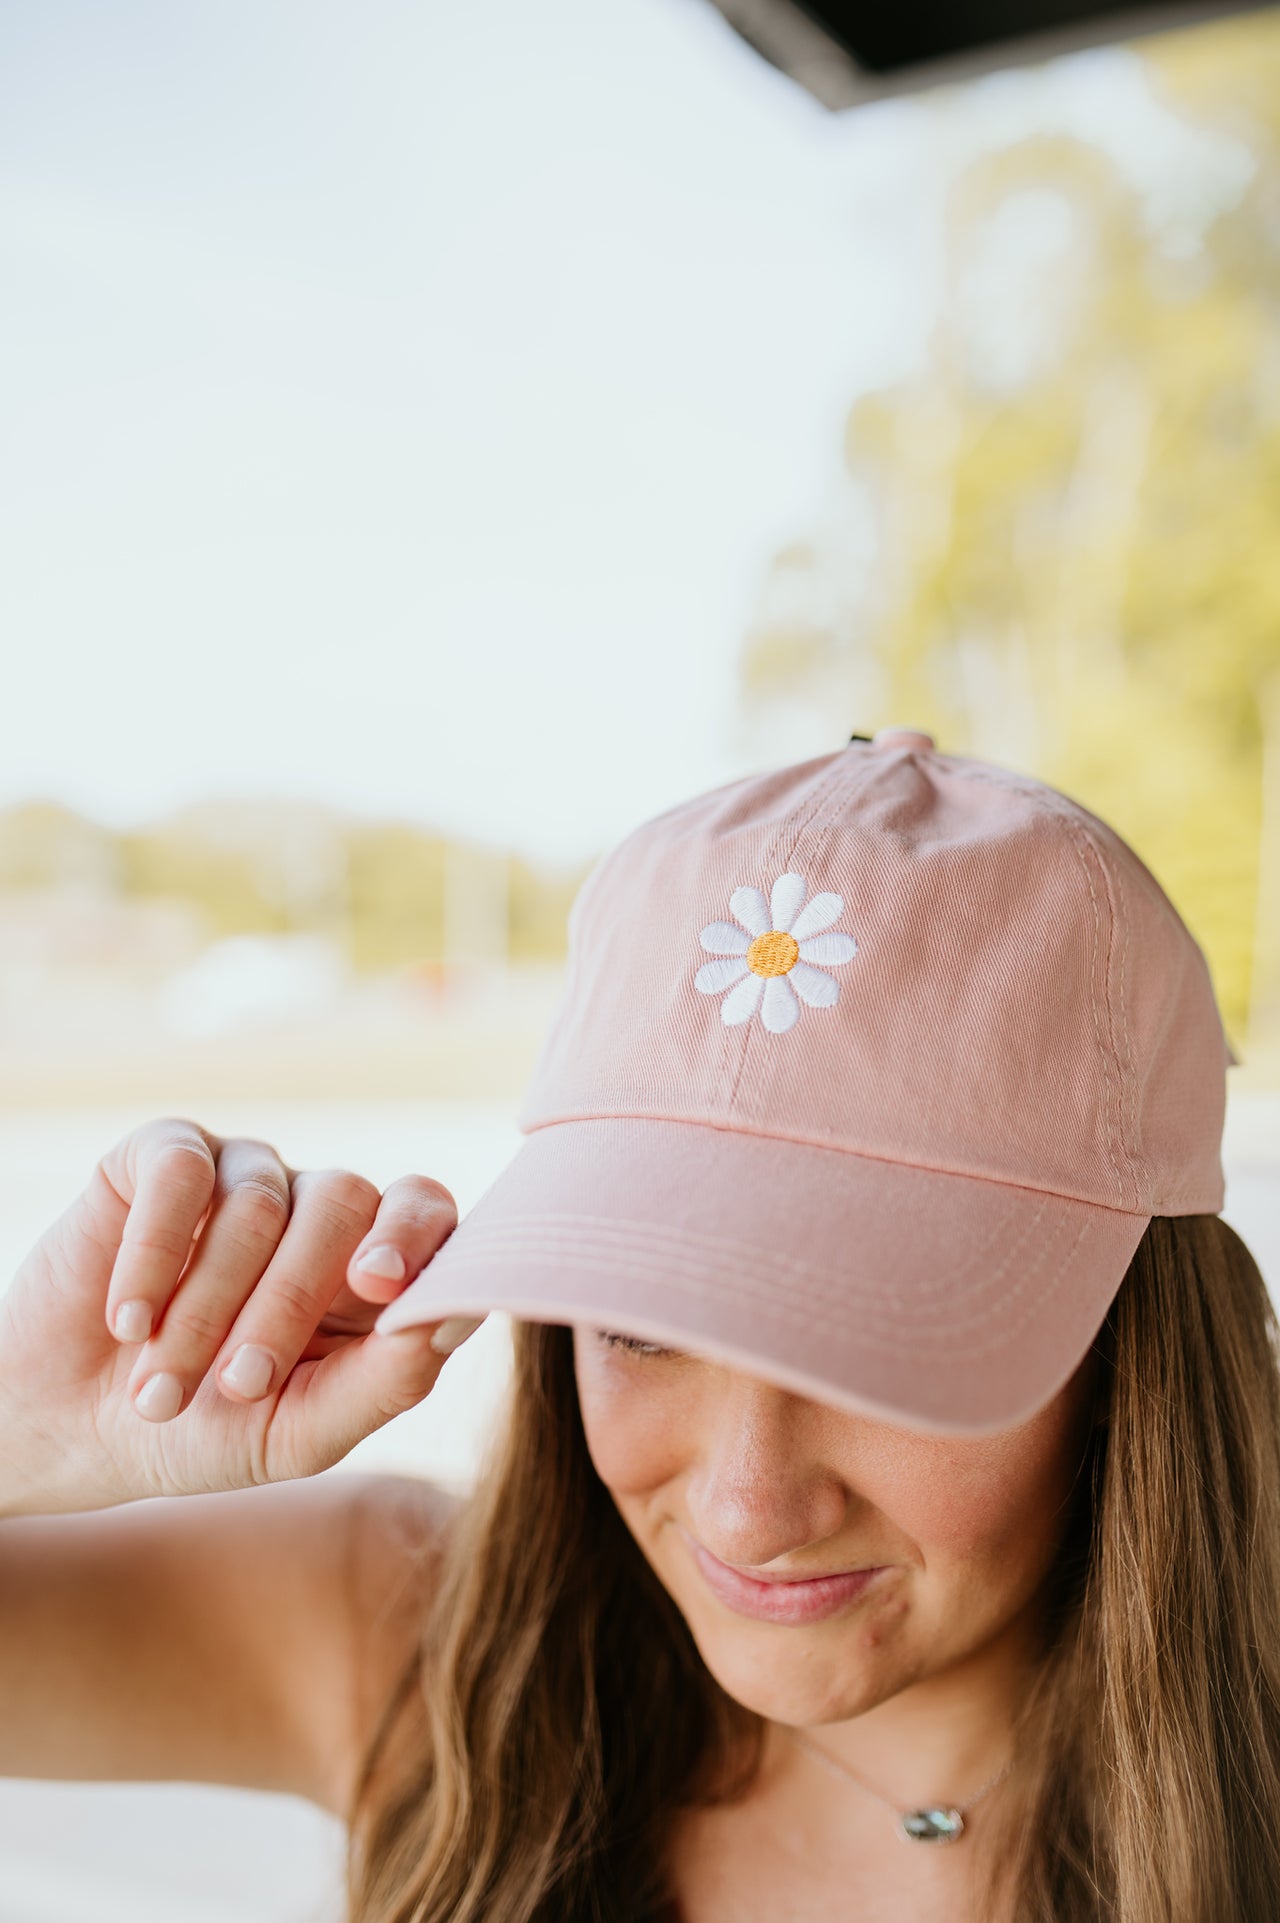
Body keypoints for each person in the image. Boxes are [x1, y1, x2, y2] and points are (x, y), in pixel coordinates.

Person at [0, 728, 1275, 1923]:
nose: (743, 1510)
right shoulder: (418, 1643)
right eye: (640, 1329)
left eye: (878, 1348)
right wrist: (32, 1427)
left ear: (1132, 1358)